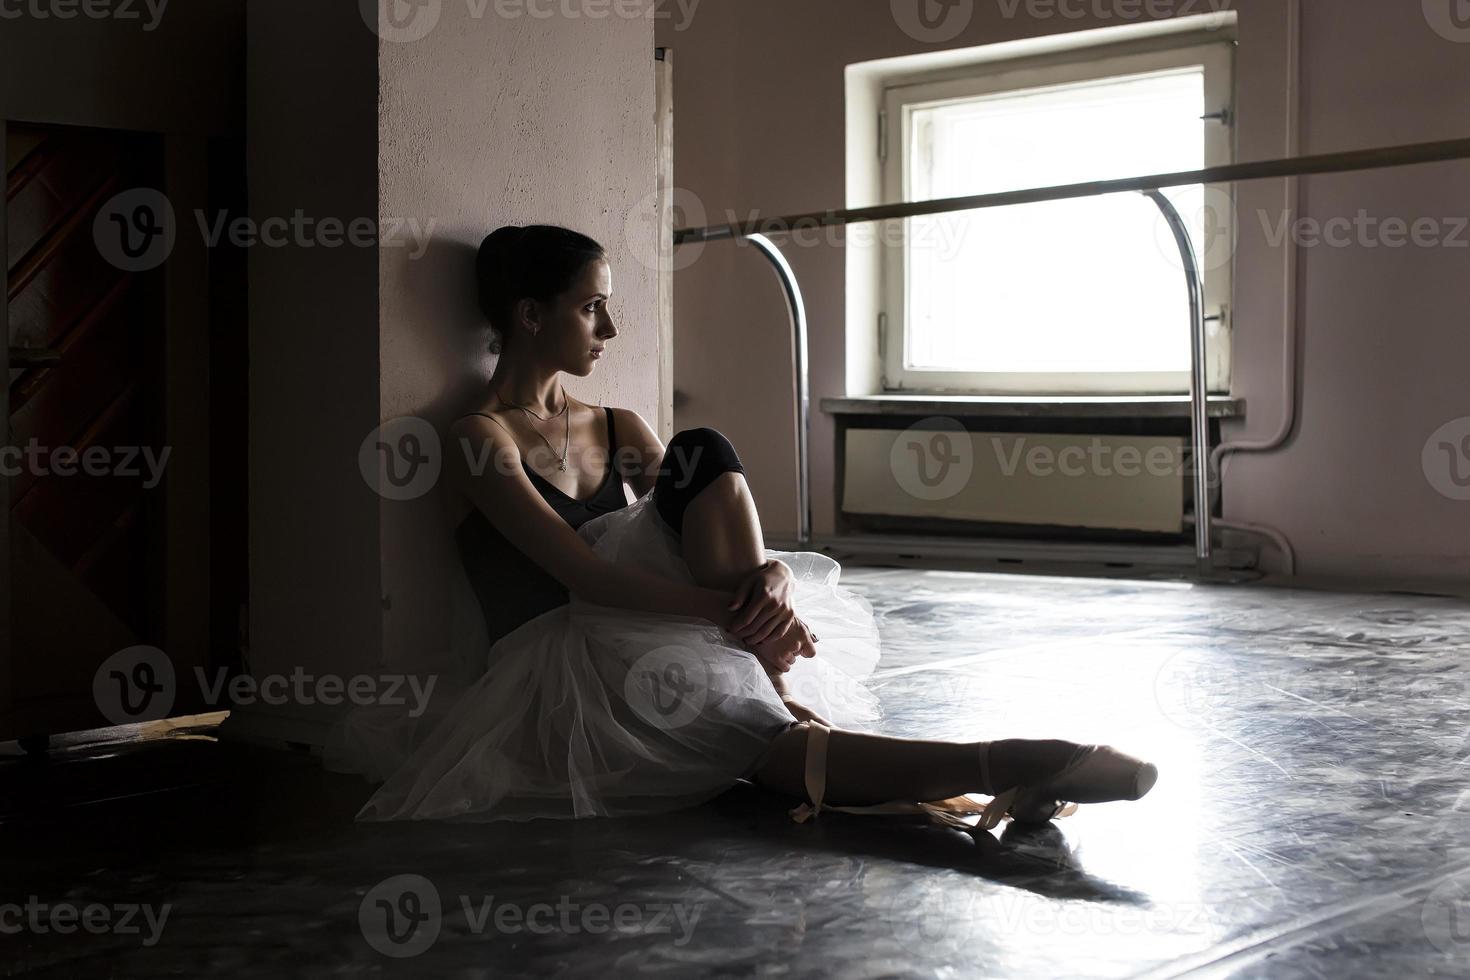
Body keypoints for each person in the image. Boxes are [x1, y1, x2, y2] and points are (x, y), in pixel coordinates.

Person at [353, 224, 1158, 826]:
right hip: (566, 654)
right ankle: (1018, 761)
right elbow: (582, 574)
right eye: (592, 306)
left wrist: (770, 578)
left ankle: (793, 697)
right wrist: (742, 615)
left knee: (702, 449)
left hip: (676, 622)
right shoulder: (477, 439)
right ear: (531, 315)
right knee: (755, 744)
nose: (611, 327)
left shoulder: (616, 424)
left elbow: (700, 515)